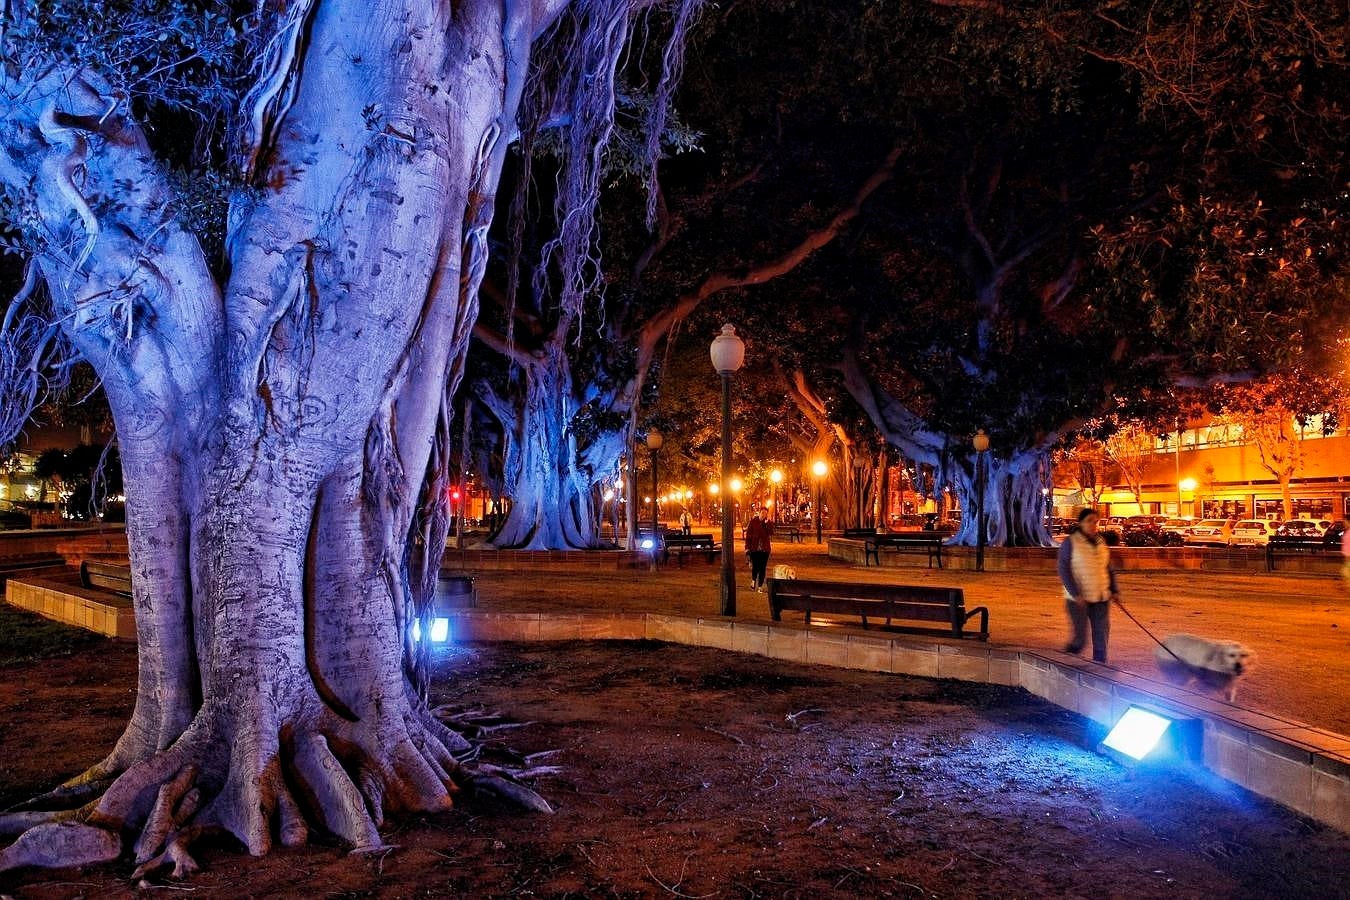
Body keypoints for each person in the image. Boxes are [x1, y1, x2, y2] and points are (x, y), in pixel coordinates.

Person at [1057, 507, 1118, 664]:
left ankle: (1099, 666)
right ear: (1081, 523)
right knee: (1080, 639)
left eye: (1095, 521)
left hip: (1101, 596)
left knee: (1101, 635)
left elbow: (1108, 568)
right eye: (1089, 521)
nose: (1093, 525)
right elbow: (1064, 570)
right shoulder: (1070, 543)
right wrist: (1075, 593)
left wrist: (1114, 590)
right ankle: (1064, 663)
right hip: (1078, 600)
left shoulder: (1101, 542)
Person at [745, 511, 772, 592]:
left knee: (762, 568)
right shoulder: (753, 522)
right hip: (755, 548)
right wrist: (747, 547)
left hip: (765, 549)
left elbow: (770, 532)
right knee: (755, 566)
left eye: (766, 513)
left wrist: (768, 524)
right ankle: (753, 581)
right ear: (759, 513)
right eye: (763, 513)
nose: (764, 515)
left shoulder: (767, 523)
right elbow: (748, 535)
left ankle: (760, 586)